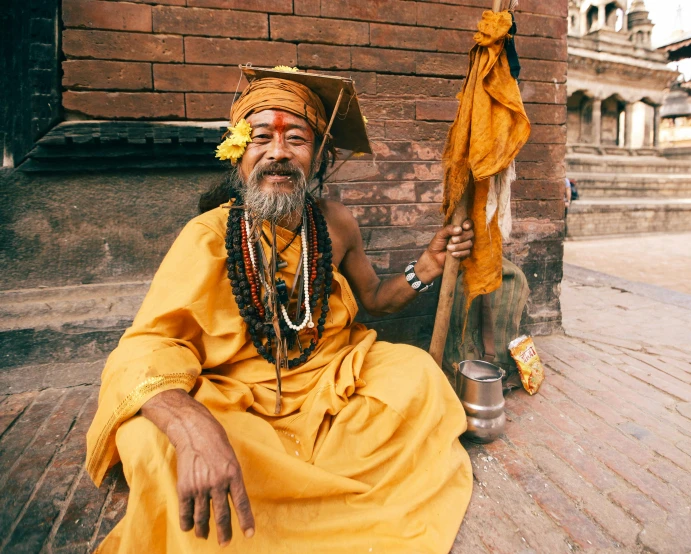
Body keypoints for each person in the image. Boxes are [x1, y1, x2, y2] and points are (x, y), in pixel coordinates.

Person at [85, 67, 475, 553]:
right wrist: (193, 427)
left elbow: (374, 299)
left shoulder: (336, 223)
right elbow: (149, 344)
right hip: (239, 397)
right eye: (261, 138)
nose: (278, 153)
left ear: (319, 157)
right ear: (239, 154)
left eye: (296, 138)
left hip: (331, 377)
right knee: (152, 442)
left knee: (416, 374)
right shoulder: (208, 235)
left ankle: (308, 494)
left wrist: (427, 265)